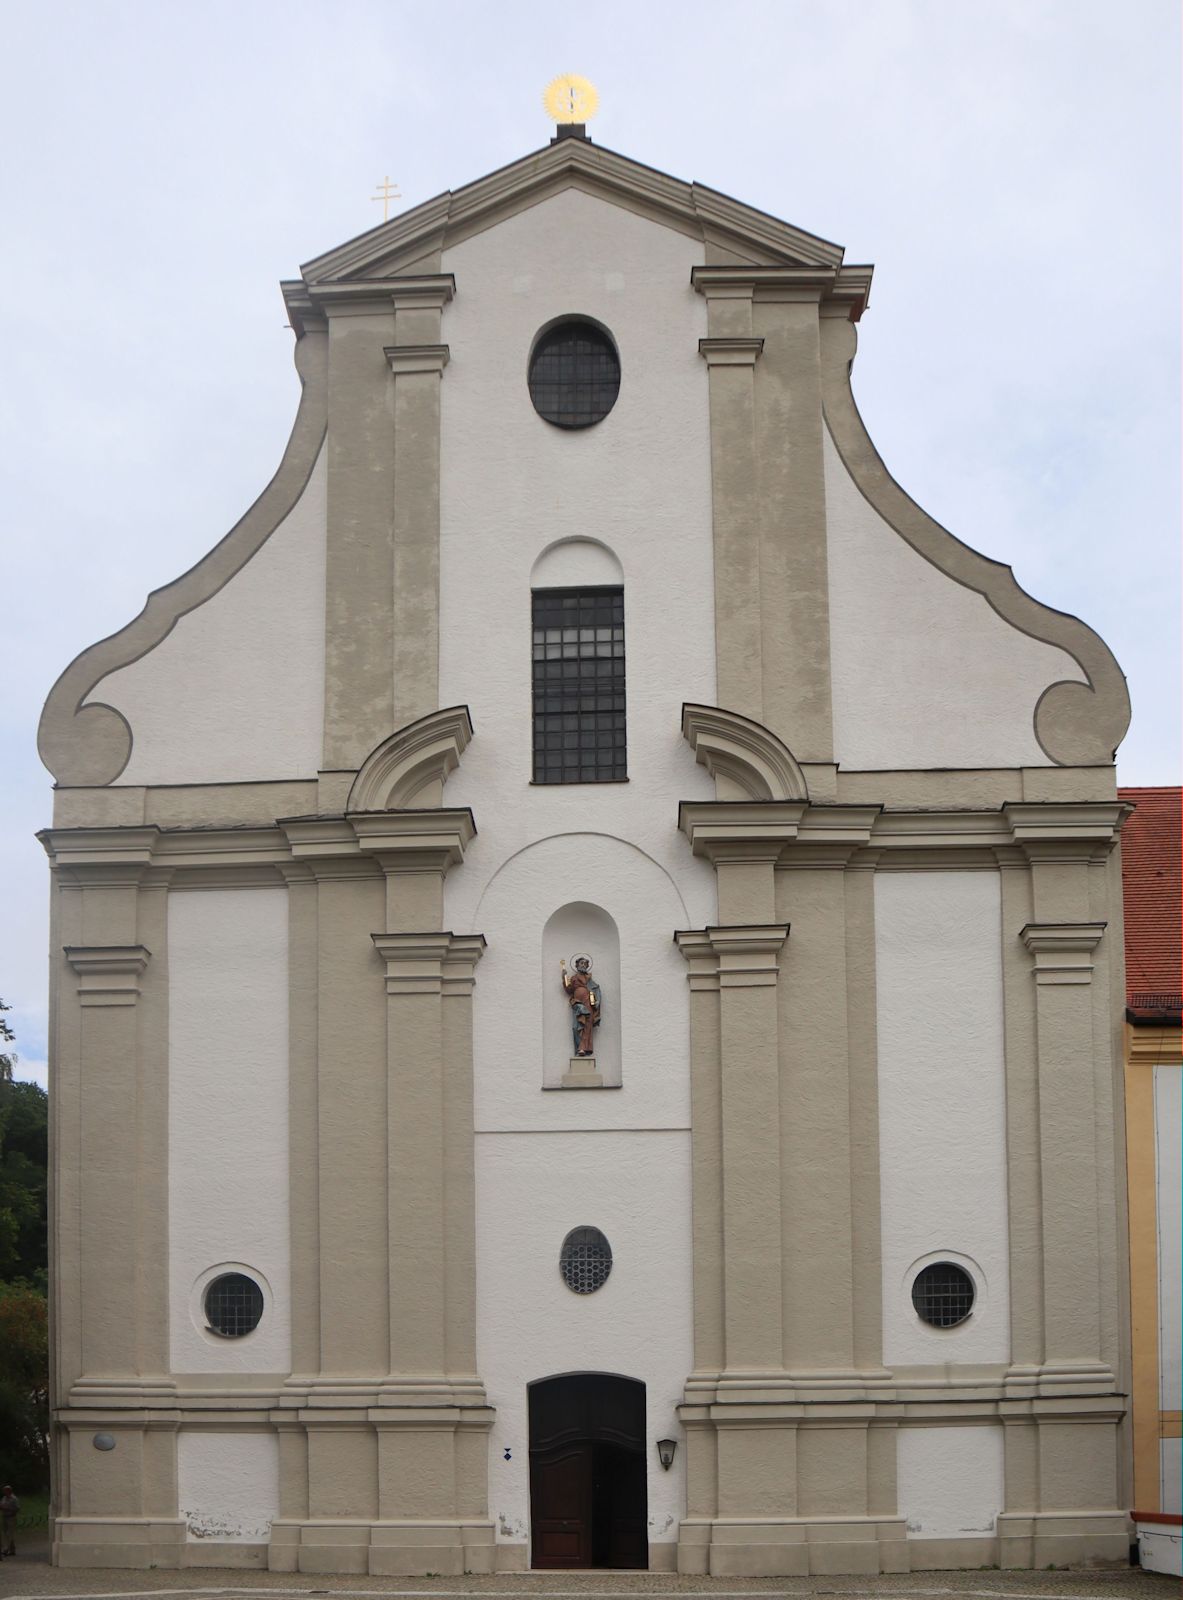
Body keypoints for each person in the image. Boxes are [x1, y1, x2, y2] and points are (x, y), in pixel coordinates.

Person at [560, 955, 602, 1057]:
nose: (583, 965)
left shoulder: (589, 979)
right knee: (576, 1027)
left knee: (587, 1025)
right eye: (581, 963)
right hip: (577, 1003)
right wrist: (564, 977)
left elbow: (596, 989)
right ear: (577, 965)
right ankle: (579, 1047)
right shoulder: (574, 978)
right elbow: (569, 990)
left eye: (585, 964)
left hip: (588, 1003)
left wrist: (596, 1001)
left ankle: (583, 1049)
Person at [0, 1485, 19, 1558]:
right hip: (4, 1517)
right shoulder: (4, 1498)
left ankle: (6, 1549)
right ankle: (12, 1550)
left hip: (11, 1517)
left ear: (9, 1491)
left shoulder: (14, 1499)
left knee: (10, 1534)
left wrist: (8, 1508)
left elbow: (17, 1508)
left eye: (6, 1490)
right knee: (5, 1533)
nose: (4, 1492)